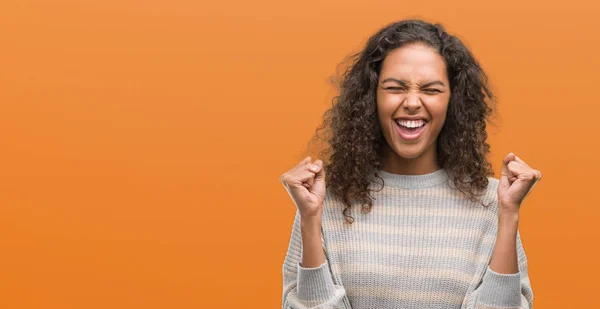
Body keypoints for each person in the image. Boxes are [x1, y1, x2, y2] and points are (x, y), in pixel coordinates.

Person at [279, 19, 542, 309]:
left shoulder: (494, 202)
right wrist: (309, 219)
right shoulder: (322, 201)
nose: (413, 102)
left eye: (431, 90)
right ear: (372, 97)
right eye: (395, 88)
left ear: (452, 101)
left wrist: (509, 216)